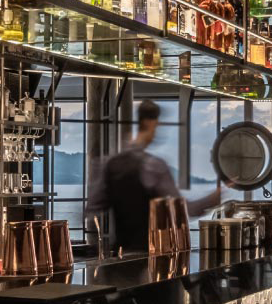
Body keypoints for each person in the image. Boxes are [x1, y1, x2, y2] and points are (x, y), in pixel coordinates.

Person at [84, 99, 223, 254]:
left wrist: (100, 248)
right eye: (157, 126)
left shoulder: (111, 164)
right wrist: (213, 198)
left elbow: (92, 210)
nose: (157, 132)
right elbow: (184, 210)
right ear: (149, 123)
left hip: (121, 255)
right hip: (149, 256)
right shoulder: (154, 166)